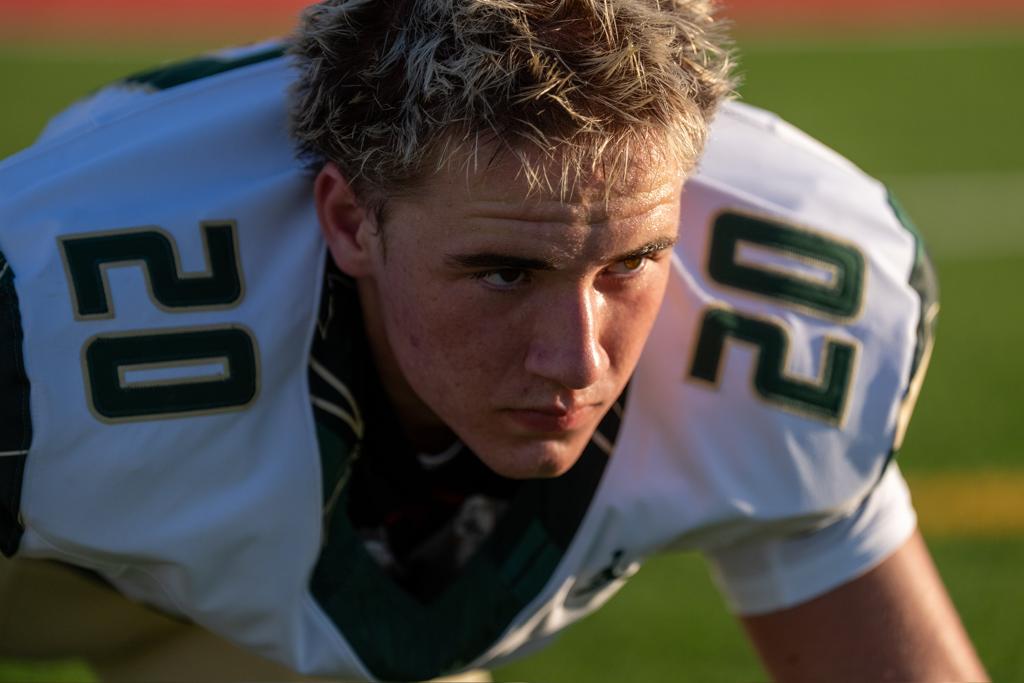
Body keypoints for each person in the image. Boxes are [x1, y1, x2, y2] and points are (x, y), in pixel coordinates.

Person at [0, 0, 987, 681]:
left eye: (631, 262)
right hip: (51, 563)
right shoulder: (48, 303)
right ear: (349, 219)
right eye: (506, 272)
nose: (578, 360)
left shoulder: (796, 295)